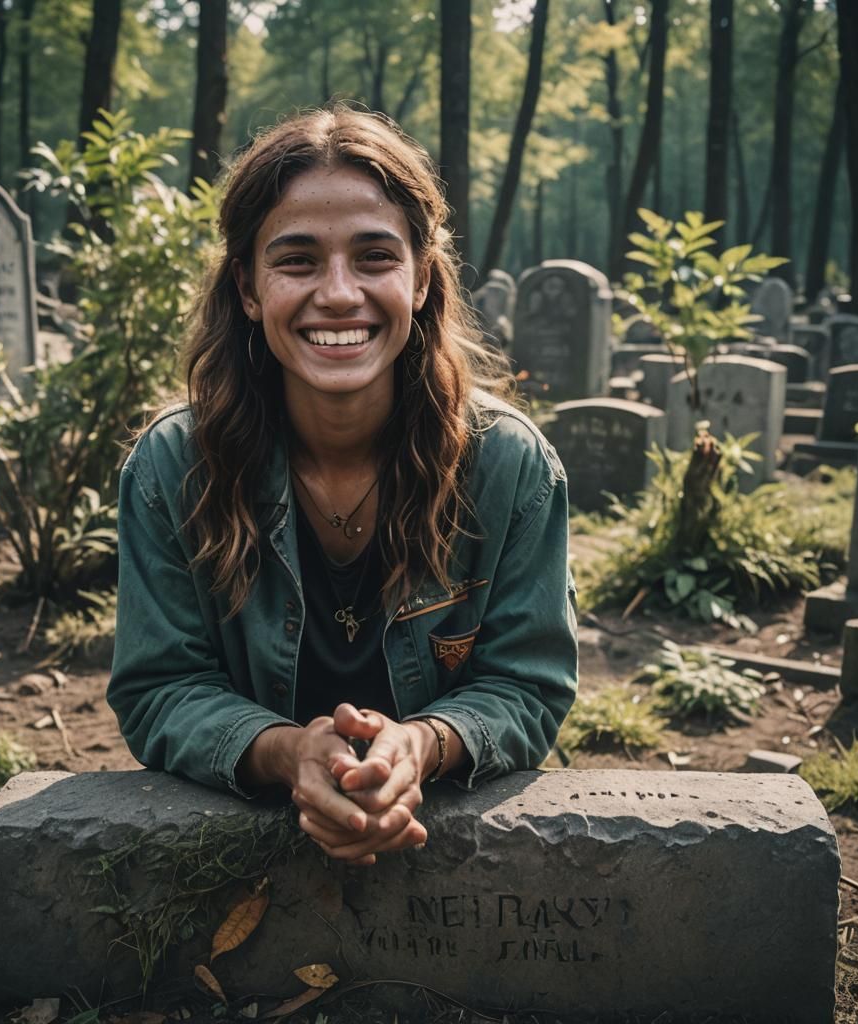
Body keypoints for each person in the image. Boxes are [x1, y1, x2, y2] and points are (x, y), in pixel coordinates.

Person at [107, 106, 577, 868]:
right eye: (296, 260)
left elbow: (528, 686)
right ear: (249, 288)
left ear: (422, 279)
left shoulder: (510, 468)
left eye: (373, 257)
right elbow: (160, 687)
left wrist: (418, 747)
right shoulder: (171, 467)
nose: (337, 293)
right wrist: (290, 753)